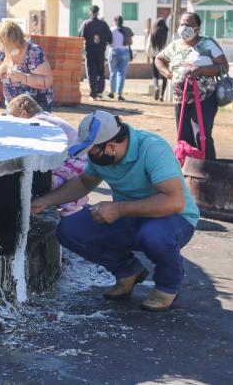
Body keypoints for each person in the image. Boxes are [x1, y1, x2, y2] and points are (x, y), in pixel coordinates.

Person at [31, 110, 200, 311]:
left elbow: (174, 201)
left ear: (111, 146)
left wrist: (118, 209)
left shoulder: (153, 149)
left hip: (173, 218)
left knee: (153, 235)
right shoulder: (103, 156)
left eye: (92, 151)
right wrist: (46, 201)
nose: (90, 156)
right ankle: (128, 271)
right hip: (129, 215)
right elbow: (84, 182)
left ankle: (168, 285)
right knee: (69, 230)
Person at [155, 12, 228, 160]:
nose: (183, 27)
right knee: (183, 137)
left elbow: (224, 66)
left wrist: (202, 70)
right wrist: (168, 74)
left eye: (188, 24)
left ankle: (208, 170)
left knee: (201, 136)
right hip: (180, 99)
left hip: (204, 98)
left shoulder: (208, 44)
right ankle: (188, 174)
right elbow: (159, 58)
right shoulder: (175, 45)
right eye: (181, 24)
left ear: (197, 28)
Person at [8, 94, 88, 214]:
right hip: (82, 160)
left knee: (48, 176)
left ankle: (71, 204)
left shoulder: (35, 122)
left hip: (76, 162)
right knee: (46, 172)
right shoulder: (44, 116)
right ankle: (74, 198)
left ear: (23, 114)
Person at [0, 20, 54, 111]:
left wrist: (23, 78)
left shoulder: (34, 52)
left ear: (13, 41)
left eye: (2, 43)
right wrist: (0, 70)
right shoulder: (1, 49)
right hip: (13, 107)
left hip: (37, 108)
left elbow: (48, 81)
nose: (1, 47)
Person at [79, 5, 112, 100]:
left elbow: (80, 37)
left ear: (90, 12)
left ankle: (93, 94)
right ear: (98, 12)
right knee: (101, 71)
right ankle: (100, 92)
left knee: (91, 72)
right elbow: (110, 38)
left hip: (90, 51)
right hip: (101, 52)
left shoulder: (86, 23)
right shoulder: (104, 24)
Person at [107, 15, 133, 101]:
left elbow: (108, 42)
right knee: (121, 74)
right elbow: (131, 42)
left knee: (112, 73)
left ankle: (111, 92)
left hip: (113, 52)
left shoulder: (111, 30)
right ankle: (119, 94)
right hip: (125, 52)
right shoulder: (127, 30)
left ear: (115, 21)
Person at [146, 19, 170, 101]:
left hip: (155, 57)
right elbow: (170, 45)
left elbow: (148, 46)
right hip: (165, 57)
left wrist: (149, 54)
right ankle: (162, 95)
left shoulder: (152, 33)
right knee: (165, 76)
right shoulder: (167, 33)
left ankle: (156, 87)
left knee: (155, 75)